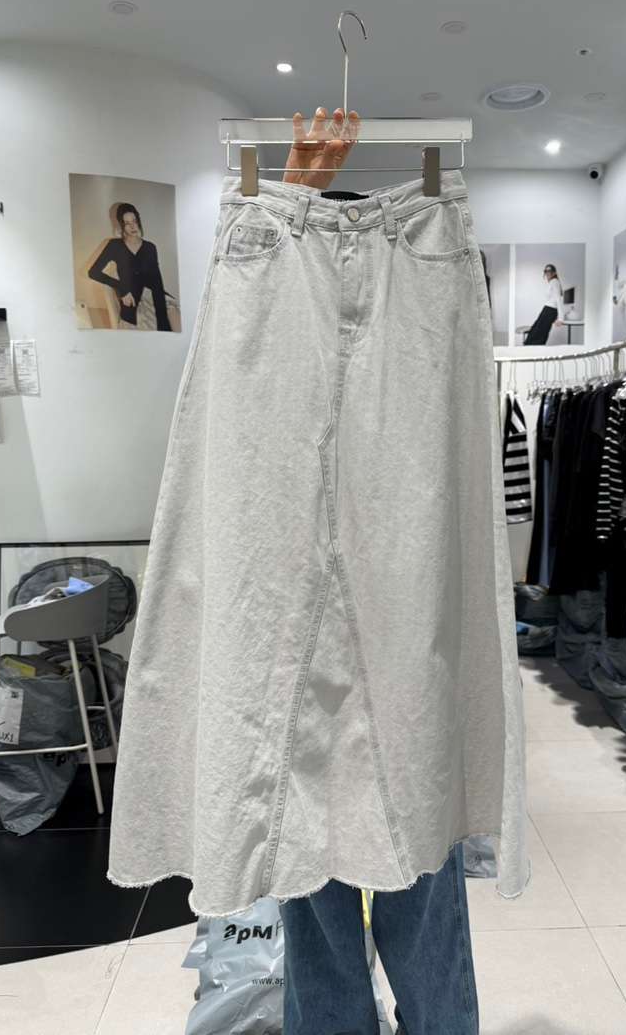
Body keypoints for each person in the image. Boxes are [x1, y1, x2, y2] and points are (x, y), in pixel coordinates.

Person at [278, 106, 481, 1035]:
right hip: (316, 608)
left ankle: (413, 1019)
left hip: (389, 610)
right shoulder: (276, 335)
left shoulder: (421, 342)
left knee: (407, 833)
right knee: (317, 838)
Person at [87, 202, 175, 331]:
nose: (133, 226)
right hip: (132, 305)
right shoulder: (115, 246)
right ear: (121, 225)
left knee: (174, 316)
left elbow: (157, 283)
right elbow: (93, 272)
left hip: (153, 297)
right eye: (127, 223)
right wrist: (122, 289)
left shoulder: (150, 247)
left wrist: (163, 322)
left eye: (134, 221)